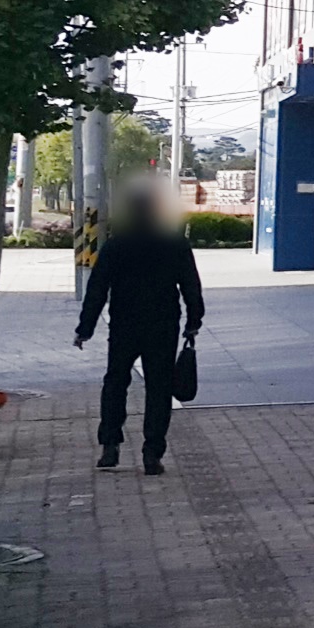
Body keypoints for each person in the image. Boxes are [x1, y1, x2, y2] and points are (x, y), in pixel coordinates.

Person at [75, 180, 204, 474]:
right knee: (159, 387)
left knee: (115, 382)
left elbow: (98, 288)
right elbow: (190, 285)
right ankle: (152, 452)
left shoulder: (116, 245)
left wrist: (85, 327)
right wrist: (194, 321)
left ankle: (110, 446)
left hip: (124, 324)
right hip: (163, 325)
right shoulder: (174, 243)